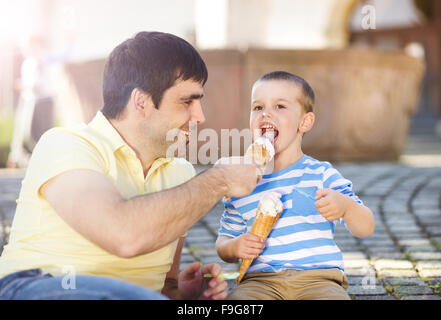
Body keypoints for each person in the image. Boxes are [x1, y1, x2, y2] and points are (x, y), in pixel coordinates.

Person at [0, 31, 261, 300]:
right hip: (40, 286)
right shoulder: (65, 144)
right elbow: (122, 234)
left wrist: (183, 292)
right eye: (186, 101)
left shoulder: (179, 173)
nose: (200, 116)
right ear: (141, 102)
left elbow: (164, 285)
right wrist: (218, 179)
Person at [216, 71, 375, 300]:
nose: (266, 114)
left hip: (319, 280)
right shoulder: (241, 182)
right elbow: (223, 241)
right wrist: (234, 247)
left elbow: (366, 227)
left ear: (305, 122)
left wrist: (347, 207)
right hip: (260, 282)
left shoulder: (322, 174)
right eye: (258, 107)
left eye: (280, 106)